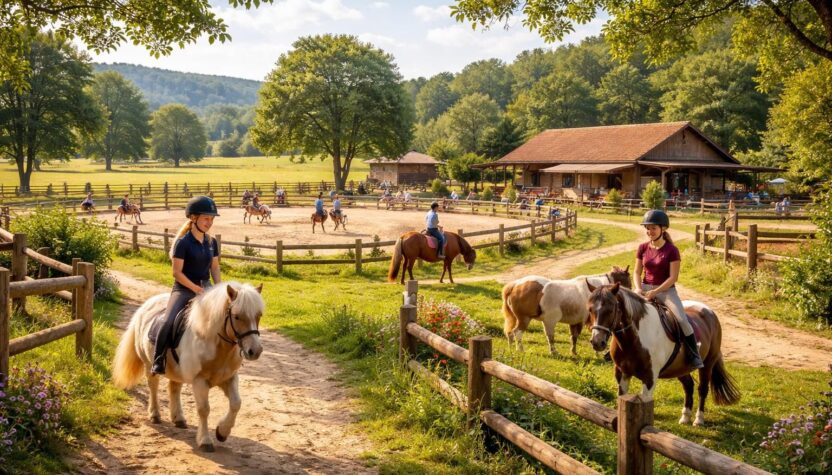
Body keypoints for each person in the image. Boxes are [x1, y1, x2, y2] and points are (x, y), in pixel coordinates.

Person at [151, 196, 221, 375]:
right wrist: (195, 288)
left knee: (227, 316)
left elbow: (215, 268)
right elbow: (176, 273)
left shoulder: (212, 243)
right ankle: (158, 360)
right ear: (193, 218)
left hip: (207, 288)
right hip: (183, 289)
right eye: (206, 218)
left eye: (211, 219)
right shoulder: (183, 243)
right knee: (167, 321)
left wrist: (220, 290)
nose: (209, 222)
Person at [634, 210, 704, 369]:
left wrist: (655, 292)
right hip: (644, 288)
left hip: (666, 291)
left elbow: (673, 278)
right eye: (647, 228)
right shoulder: (642, 248)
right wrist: (638, 288)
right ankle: (615, 347)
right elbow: (637, 272)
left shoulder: (672, 250)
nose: (649, 231)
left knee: (682, 320)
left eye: (653, 228)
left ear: (663, 229)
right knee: (622, 308)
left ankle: (694, 355)